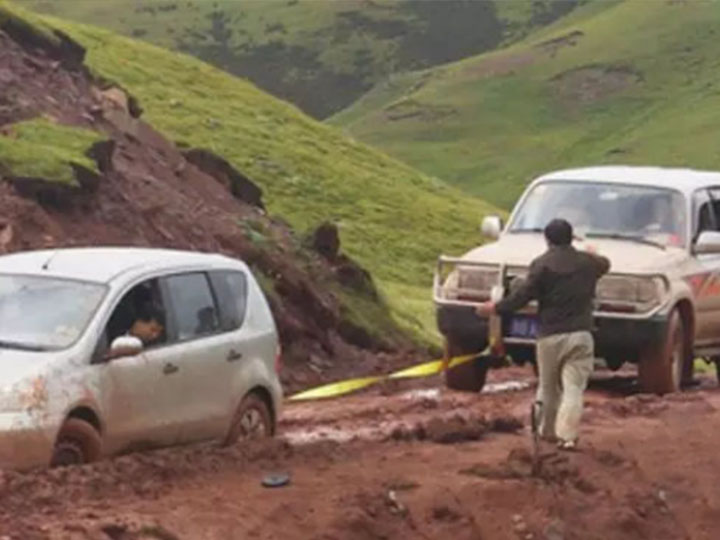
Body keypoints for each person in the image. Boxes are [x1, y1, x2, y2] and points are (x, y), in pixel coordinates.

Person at [477, 218, 610, 450]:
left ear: (547, 239)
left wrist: (495, 308)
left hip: (549, 335)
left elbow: (523, 296)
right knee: (573, 388)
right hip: (581, 334)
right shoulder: (588, 263)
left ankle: (544, 431)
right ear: (572, 237)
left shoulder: (541, 264)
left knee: (548, 387)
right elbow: (605, 264)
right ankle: (567, 437)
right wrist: (590, 250)